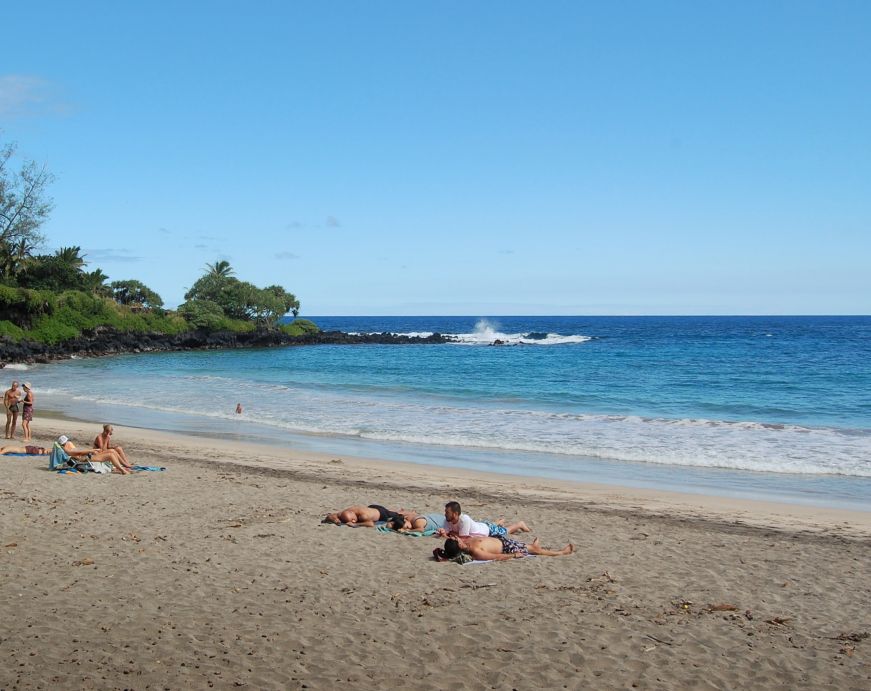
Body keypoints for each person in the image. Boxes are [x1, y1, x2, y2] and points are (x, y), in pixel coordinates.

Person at [441, 535, 574, 561]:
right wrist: (514, 555)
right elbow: (495, 557)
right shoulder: (475, 552)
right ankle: (562, 552)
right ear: (458, 545)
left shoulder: (467, 543)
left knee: (530, 547)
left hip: (502, 540)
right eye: (455, 539)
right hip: (507, 547)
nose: (456, 537)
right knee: (536, 551)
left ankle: (533, 546)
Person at [437, 501, 531, 538]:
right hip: (480, 525)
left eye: (447, 512)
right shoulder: (448, 519)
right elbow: (448, 531)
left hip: (487, 531)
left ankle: (519, 524)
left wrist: (447, 535)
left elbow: (462, 538)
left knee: (506, 531)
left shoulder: (464, 520)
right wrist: (444, 532)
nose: (445, 514)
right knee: (488, 524)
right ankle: (498, 522)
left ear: (455, 514)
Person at [58, 435, 132, 475]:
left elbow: (80, 452)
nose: (69, 442)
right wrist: (92, 450)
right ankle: (123, 471)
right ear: (65, 443)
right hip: (87, 459)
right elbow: (80, 453)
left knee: (112, 451)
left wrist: (93, 451)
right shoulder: (68, 450)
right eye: (67, 441)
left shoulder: (69, 448)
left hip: (88, 456)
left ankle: (124, 465)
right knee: (110, 455)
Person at [322, 504, 407, 527]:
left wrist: (356, 524)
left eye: (352, 520)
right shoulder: (347, 512)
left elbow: (370, 524)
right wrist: (334, 519)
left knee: (396, 514)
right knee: (390, 510)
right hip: (371, 507)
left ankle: (402, 511)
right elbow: (331, 516)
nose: (352, 521)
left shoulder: (363, 516)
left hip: (382, 513)